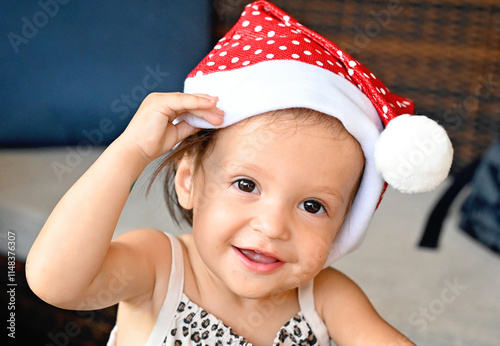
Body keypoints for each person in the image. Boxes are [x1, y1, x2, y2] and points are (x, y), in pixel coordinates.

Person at [26, 1, 453, 345]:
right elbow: (57, 283)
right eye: (247, 185)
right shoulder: (159, 267)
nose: (272, 226)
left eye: (312, 205)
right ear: (189, 181)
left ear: (346, 223)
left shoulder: (325, 298)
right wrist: (130, 152)